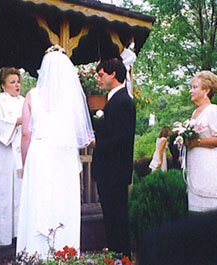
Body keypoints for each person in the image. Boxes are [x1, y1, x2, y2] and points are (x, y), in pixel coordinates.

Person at [16, 45, 95, 258]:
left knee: (38, 201)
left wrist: (24, 164)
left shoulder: (33, 95)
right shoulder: (72, 98)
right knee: (63, 202)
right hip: (64, 156)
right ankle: (65, 252)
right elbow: (80, 133)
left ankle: (34, 254)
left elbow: (25, 134)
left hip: (40, 153)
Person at [91, 58, 135, 256]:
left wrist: (97, 142)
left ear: (113, 74)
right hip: (109, 169)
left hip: (114, 170)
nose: (98, 79)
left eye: (101, 75)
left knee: (116, 217)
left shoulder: (123, 101)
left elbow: (123, 136)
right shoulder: (114, 99)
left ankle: (121, 256)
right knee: (111, 216)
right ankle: (116, 255)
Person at [0, 67, 24, 246]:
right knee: (3, 193)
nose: (17, 85)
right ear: (3, 85)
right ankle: (2, 238)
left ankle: (20, 234)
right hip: (4, 157)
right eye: (12, 82)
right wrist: (17, 121)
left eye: (18, 81)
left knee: (21, 194)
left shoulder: (26, 102)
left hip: (22, 157)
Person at [185, 71, 217, 213]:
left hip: (208, 166)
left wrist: (196, 142)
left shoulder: (214, 110)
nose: (190, 91)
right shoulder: (195, 113)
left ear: (206, 90)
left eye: (195, 87)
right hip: (195, 167)